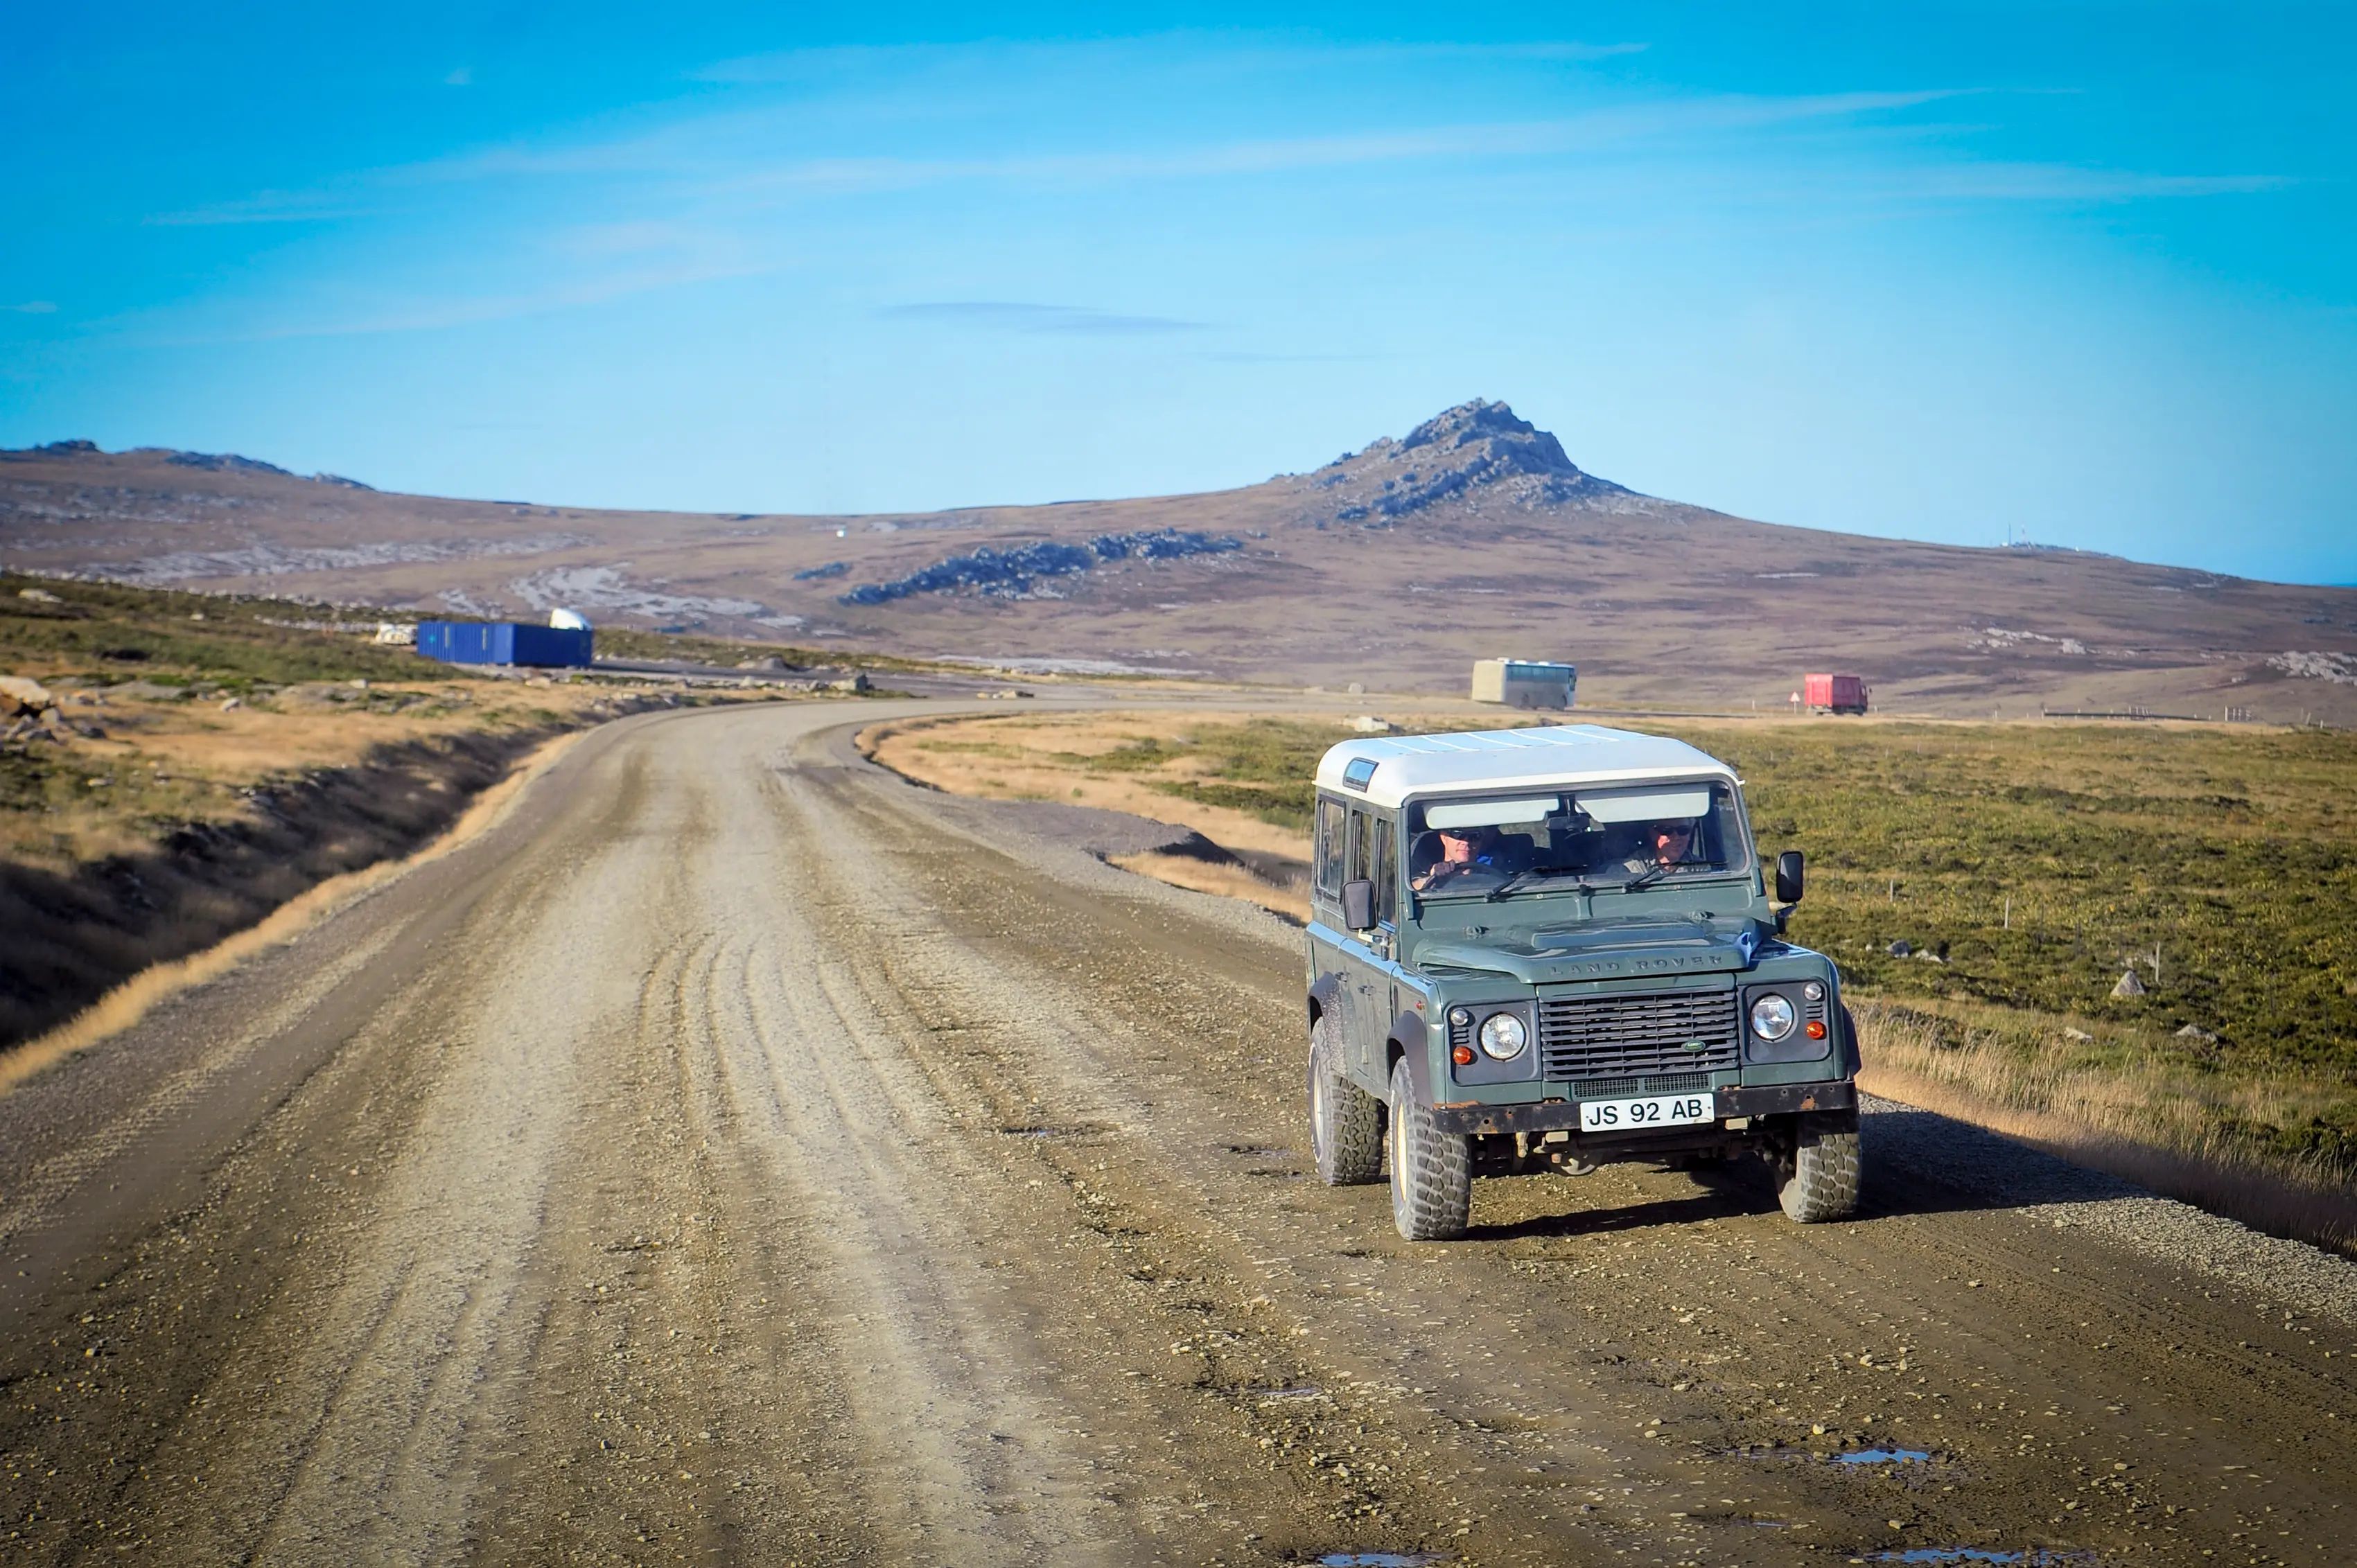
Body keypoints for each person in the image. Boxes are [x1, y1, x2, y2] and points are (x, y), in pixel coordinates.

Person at [1411, 824, 1514, 891]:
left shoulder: (1494, 877)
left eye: (1475, 837)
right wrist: (1433, 879)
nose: (1466, 842)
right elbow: (1412, 888)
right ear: (1444, 837)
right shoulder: (1428, 874)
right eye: (1458, 836)